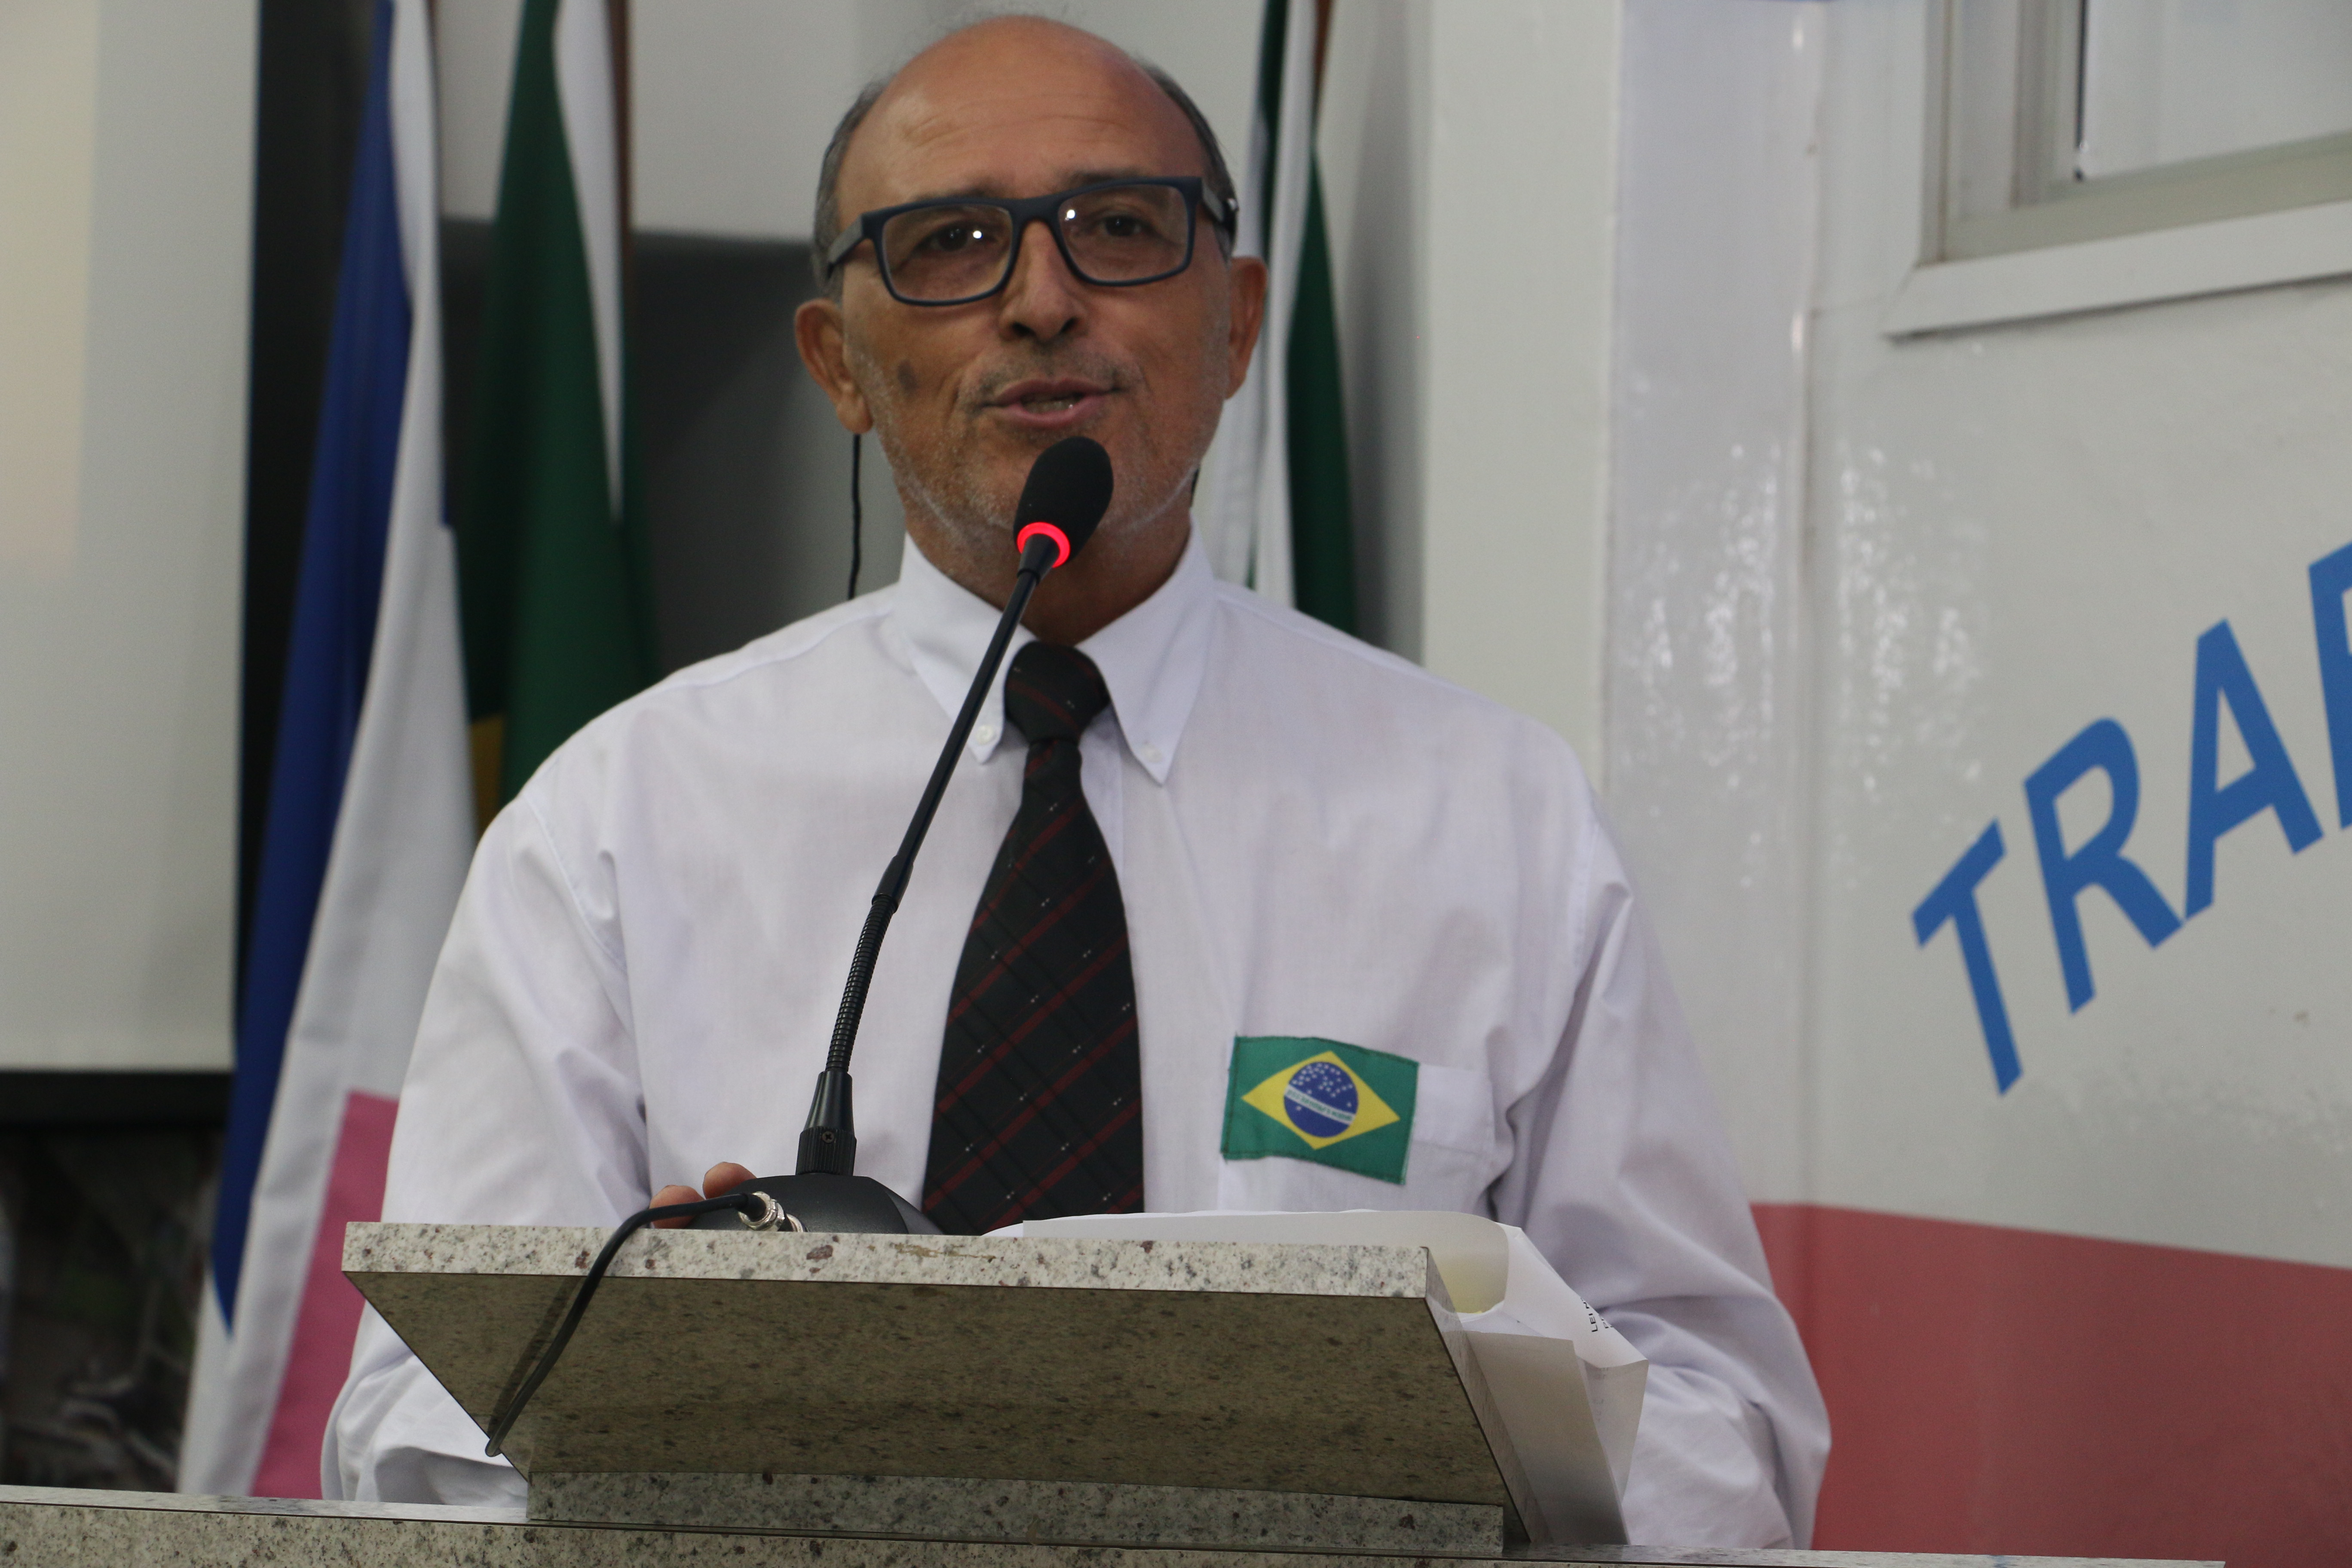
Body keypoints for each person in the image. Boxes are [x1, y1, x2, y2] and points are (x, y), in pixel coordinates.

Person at [325, 15, 1828, 1547]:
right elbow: (420, 1433)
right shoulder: (617, 822)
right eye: (951, 241)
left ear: (1237, 327)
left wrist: (1436, 1467)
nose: (1042, 299)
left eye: (1117, 227)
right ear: (840, 364)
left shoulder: (1494, 817)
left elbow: (1721, 1427)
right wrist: (665, 1398)